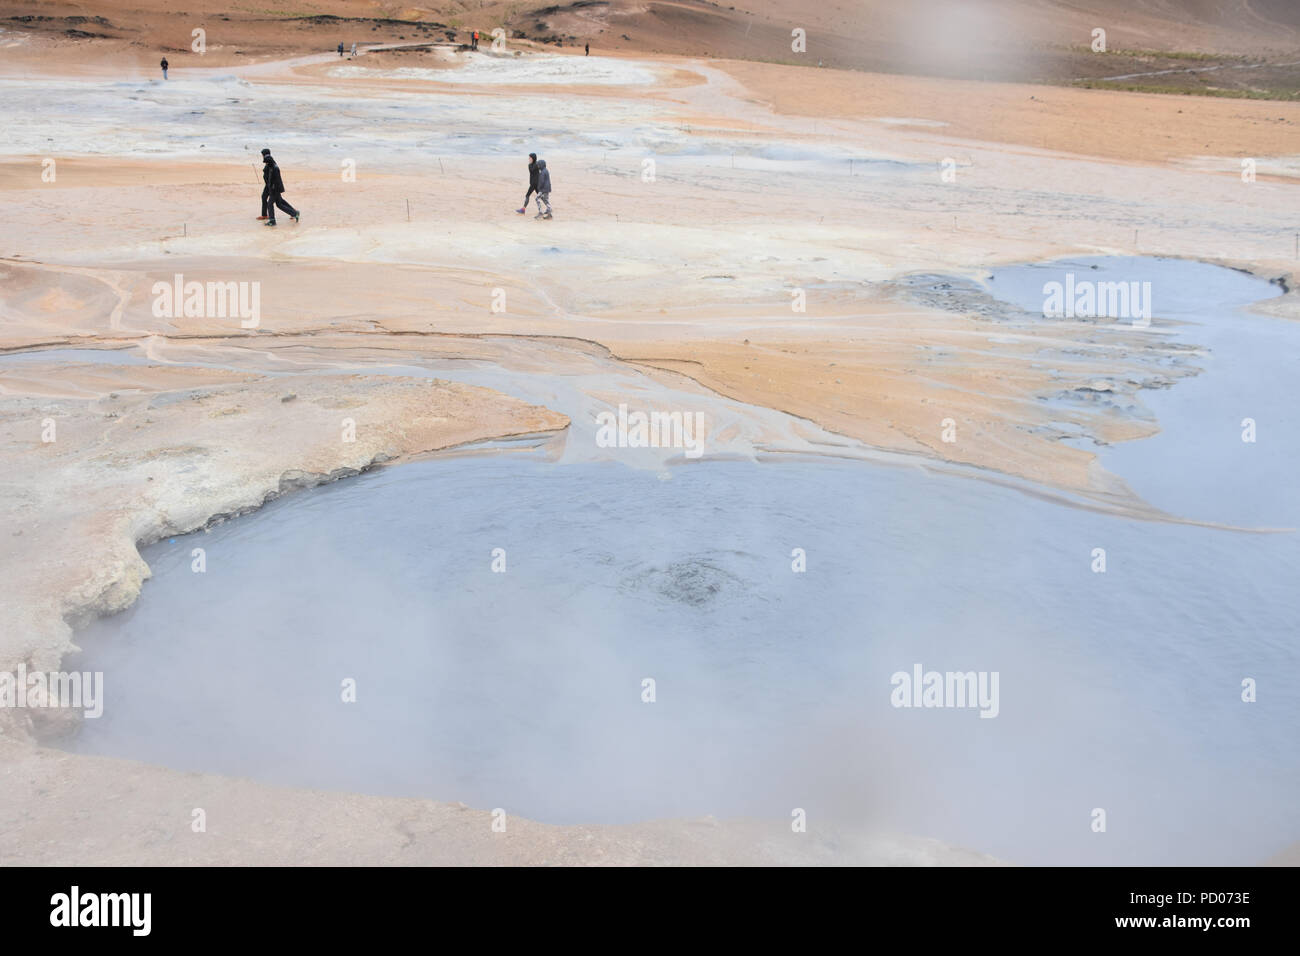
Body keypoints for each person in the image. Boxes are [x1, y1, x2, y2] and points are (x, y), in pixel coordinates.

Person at [263, 153, 300, 227]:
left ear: (269, 162)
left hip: (275, 190)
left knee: (270, 204)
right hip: (274, 190)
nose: (266, 164)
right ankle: (295, 213)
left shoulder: (275, 168)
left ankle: (272, 221)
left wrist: (273, 190)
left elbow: (277, 181)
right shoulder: (271, 166)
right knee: (279, 204)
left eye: (266, 162)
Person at [257, 148, 272, 220]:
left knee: (279, 201)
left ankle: (294, 212)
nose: (262, 156)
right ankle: (264, 215)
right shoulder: (267, 161)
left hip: (271, 185)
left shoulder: (270, 161)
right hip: (267, 185)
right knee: (264, 197)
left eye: (262, 155)